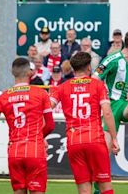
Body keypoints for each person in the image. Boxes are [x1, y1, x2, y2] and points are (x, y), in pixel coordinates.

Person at [50, 52, 119, 194]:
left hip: (74, 142)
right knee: (105, 187)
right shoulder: (98, 85)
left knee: (84, 190)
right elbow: (107, 113)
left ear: (73, 69)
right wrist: (113, 138)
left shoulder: (62, 87)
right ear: (89, 68)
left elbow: (46, 108)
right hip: (95, 140)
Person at [0, 57, 55, 194]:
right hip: (35, 149)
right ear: (30, 73)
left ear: (12, 72)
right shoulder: (41, 93)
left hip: (14, 151)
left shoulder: (2, 97)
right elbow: (50, 125)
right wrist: (39, 136)